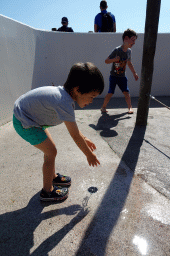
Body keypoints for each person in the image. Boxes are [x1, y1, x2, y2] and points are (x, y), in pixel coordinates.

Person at [13, 63, 104, 202]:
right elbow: (74, 135)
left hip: (30, 117)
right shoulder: (64, 102)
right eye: (92, 96)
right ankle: (47, 192)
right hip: (24, 121)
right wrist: (89, 155)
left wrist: (84, 138)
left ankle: (53, 177)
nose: (92, 101)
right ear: (78, 89)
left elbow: (74, 130)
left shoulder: (64, 96)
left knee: (50, 150)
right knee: (51, 152)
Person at [101, 28, 139, 114]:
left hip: (122, 76)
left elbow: (129, 63)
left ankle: (130, 108)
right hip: (113, 76)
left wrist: (134, 73)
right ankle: (103, 107)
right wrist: (114, 59)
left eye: (134, 40)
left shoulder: (129, 51)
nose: (134, 42)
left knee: (126, 92)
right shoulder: (117, 50)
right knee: (110, 92)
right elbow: (106, 61)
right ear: (126, 38)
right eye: (132, 40)